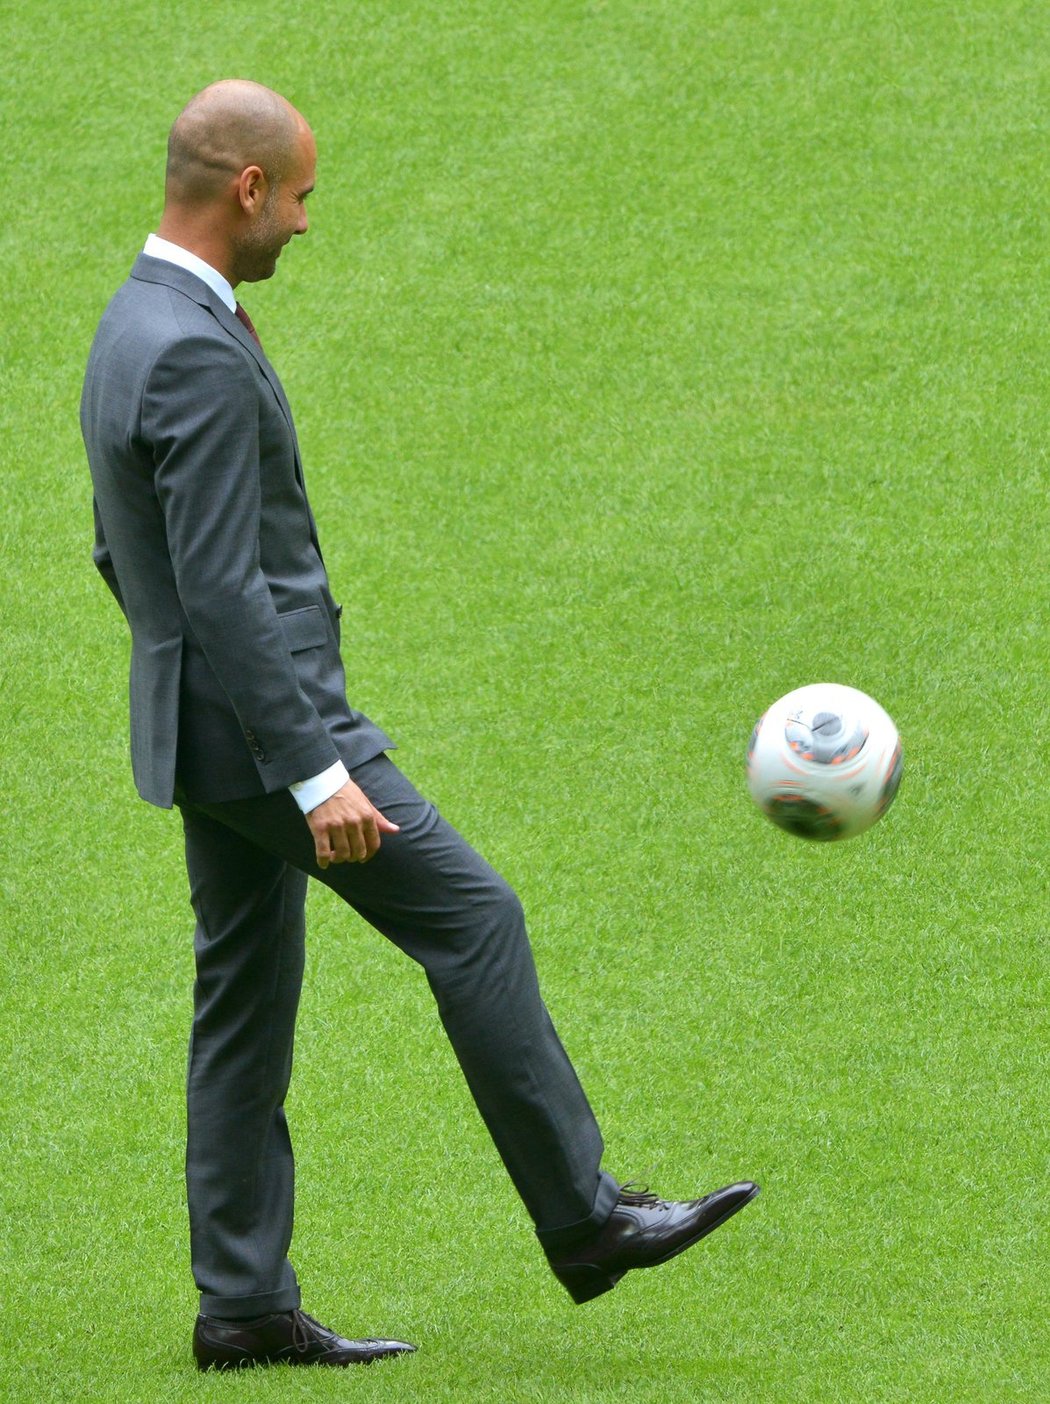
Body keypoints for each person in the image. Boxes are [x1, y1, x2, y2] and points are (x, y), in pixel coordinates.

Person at [80, 79, 759, 1372]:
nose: (303, 224)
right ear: (246, 190)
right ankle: (587, 1216)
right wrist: (310, 768)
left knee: (243, 997)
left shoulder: (133, 321)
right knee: (474, 918)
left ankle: (239, 1303)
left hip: (200, 737)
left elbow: (127, 551)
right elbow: (221, 584)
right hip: (272, 740)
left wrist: (187, 689)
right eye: (299, 199)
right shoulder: (188, 349)